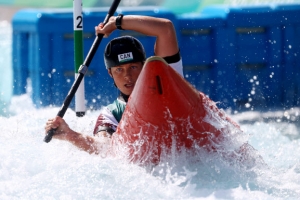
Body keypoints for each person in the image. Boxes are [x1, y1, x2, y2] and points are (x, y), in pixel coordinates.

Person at [44, 14, 183, 154]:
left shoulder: (167, 80)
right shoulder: (111, 114)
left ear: (144, 66)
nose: (127, 76)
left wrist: (117, 22)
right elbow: (104, 148)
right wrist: (71, 135)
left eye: (133, 67)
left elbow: (166, 28)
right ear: (110, 73)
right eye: (119, 70)